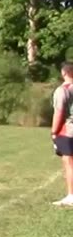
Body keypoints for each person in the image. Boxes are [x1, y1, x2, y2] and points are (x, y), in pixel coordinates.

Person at [52, 61, 73, 206]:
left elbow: (59, 112)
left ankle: (71, 196)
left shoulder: (62, 90)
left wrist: (54, 131)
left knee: (69, 162)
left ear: (63, 72)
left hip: (69, 131)